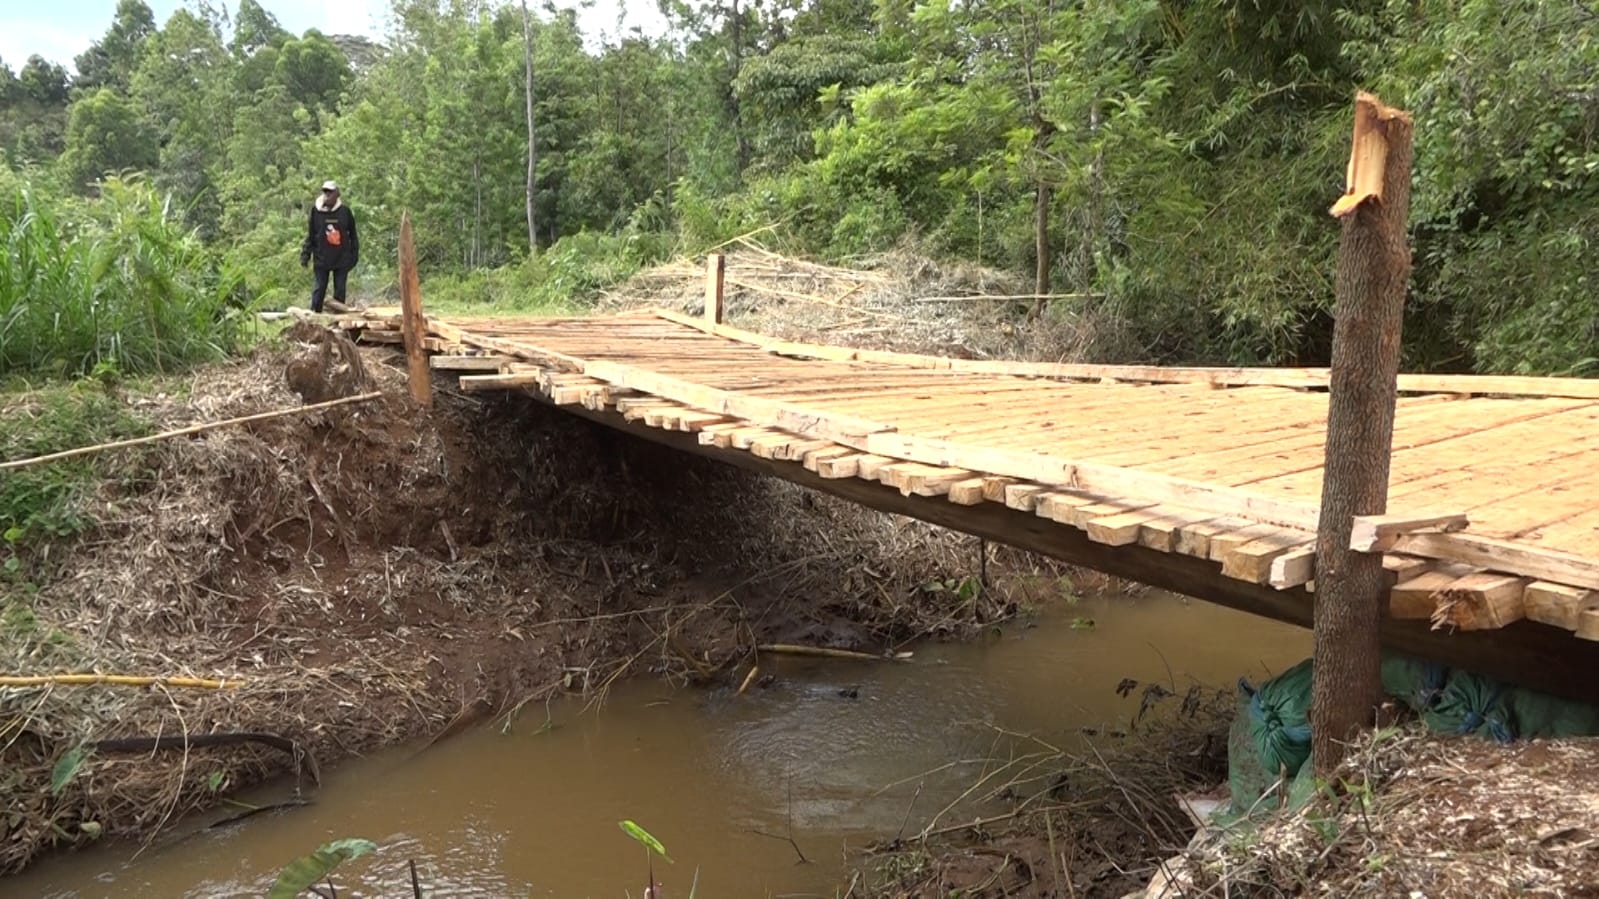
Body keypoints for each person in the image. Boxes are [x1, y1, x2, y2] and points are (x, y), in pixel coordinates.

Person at [299, 180, 359, 313]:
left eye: (330, 192)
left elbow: (353, 236)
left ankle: (338, 319)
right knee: (319, 288)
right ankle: (314, 317)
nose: (327, 195)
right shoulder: (316, 212)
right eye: (325, 192)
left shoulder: (345, 212)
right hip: (321, 258)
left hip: (341, 259)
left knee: (340, 290)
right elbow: (311, 234)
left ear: (337, 194)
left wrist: (354, 256)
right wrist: (305, 254)